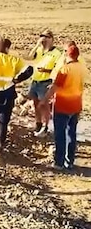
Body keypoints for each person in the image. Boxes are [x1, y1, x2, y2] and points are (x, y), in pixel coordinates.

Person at [45, 42, 87, 170]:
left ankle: (59, 162)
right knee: (71, 134)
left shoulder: (65, 68)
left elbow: (56, 86)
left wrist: (44, 100)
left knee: (60, 134)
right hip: (76, 104)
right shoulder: (81, 67)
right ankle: (70, 161)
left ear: (66, 54)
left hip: (63, 105)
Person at [28, 29, 62, 137]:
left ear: (52, 39)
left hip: (45, 81)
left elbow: (58, 68)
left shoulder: (56, 53)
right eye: (42, 36)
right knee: (35, 103)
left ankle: (45, 126)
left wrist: (47, 71)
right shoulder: (39, 50)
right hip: (35, 80)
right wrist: (37, 45)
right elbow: (29, 56)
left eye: (47, 37)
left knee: (44, 104)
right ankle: (38, 123)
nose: (44, 39)